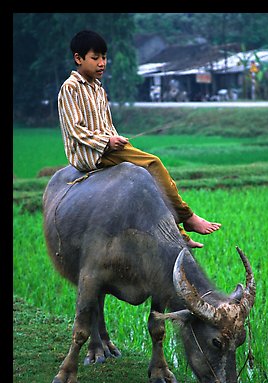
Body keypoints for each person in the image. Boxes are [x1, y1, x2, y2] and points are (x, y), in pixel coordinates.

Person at [58, 30, 221, 248]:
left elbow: (106, 125)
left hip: (108, 147)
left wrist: (115, 137)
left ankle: (179, 233)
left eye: (104, 58)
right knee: (153, 163)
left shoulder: (97, 88)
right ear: (78, 58)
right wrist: (106, 143)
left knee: (150, 177)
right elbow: (74, 129)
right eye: (95, 58)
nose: (101, 63)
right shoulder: (70, 88)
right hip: (89, 153)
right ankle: (188, 217)